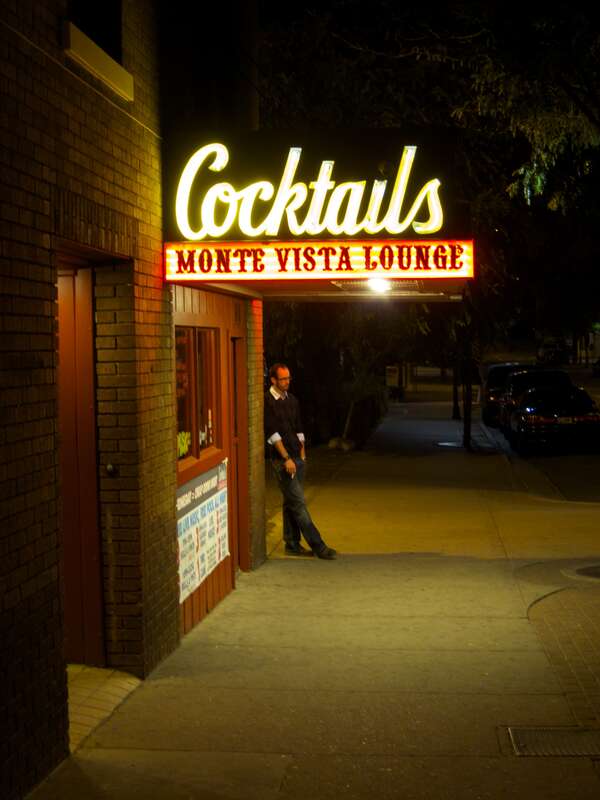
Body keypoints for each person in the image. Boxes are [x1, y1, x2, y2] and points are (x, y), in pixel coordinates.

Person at [264, 363, 337, 560]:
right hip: (283, 461)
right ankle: (319, 546)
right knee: (298, 503)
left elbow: (298, 427)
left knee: (290, 502)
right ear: (273, 380)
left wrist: (302, 454)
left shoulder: (292, 400)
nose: (287, 382)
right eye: (283, 379)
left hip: (297, 458)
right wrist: (286, 458)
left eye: (288, 378)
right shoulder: (267, 402)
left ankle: (292, 543)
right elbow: (272, 433)